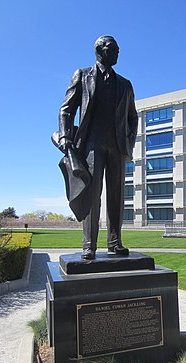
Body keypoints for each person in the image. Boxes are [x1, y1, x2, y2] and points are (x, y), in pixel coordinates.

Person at [57, 35, 138, 260]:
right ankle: (89, 245)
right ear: (99, 50)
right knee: (92, 196)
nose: (118, 52)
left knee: (117, 196)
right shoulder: (82, 76)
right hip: (91, 145)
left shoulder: (125, 84)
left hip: (117, 146)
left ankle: (115, 242)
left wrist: (128, 142)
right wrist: (65, 137)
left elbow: (133, 118)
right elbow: (66, 109)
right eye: (113, 48)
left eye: (118, 49)